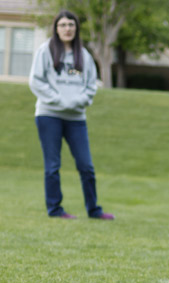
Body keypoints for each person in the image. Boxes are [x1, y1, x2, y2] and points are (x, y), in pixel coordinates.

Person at [29, 10, 114, 220]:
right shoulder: (45, 51)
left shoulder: (84, 56)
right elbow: (36, 81)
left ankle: (94, 210)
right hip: (49, 115)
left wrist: (75, 102)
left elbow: (91, 86)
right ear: (56, 28)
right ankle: (55, 209)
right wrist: (58, 100)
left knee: (86, 166)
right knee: (52, 166)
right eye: (63, 25)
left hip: (76, 118)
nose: (67, 29)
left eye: (71, 25)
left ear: (76, 29)